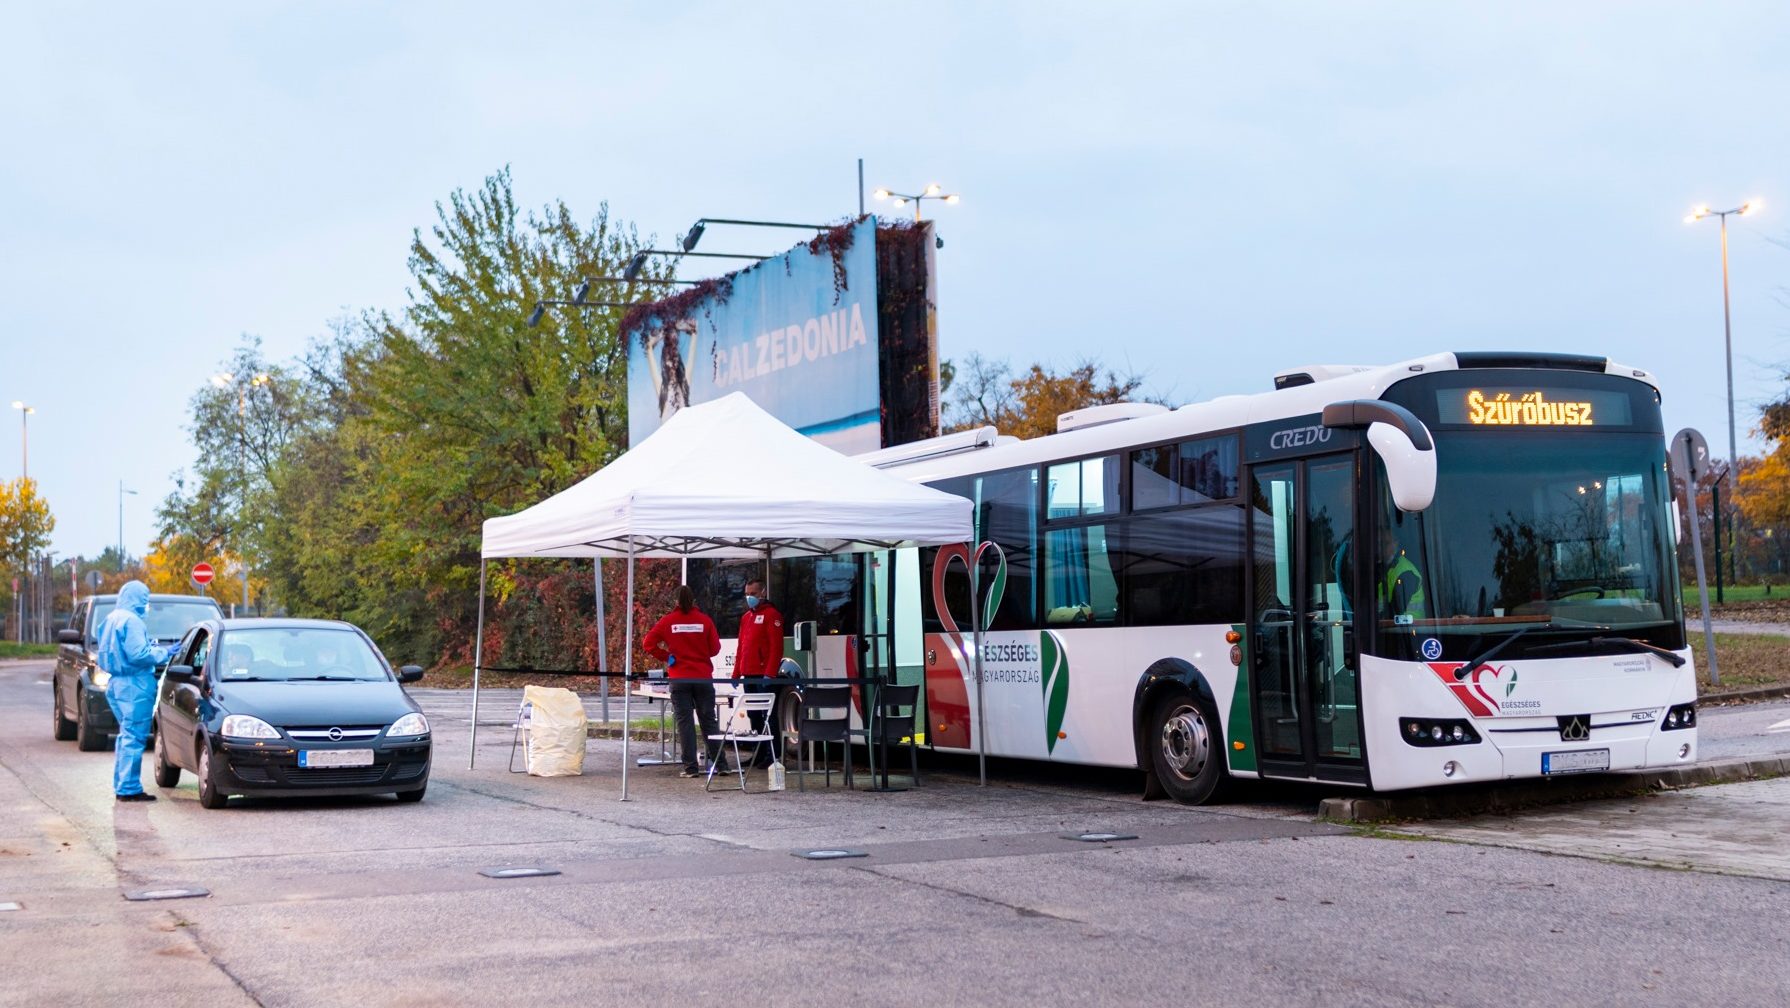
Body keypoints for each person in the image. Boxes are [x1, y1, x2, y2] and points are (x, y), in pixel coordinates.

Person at [94, 581, 173, 802]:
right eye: (145, 599)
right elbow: (139, 654)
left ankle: (122, 785)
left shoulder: (111, 619)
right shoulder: (132, 621)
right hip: (135, 685)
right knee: (134, 737)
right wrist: (163, 653)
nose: (146, 604)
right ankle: (129, 789)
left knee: (126, 735)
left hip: (117, 683)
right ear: (137, 598)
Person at [642, 585, 724, 778]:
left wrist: (667, 656)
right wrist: (699, 652)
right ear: (693, 600)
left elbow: (648, 643)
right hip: (703, 677)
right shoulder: (705, 621)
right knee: (709, 721)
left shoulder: (667, 621)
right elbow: (715, 649)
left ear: (676, 602)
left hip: (679, 678)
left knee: (685, 723)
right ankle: (721, 765)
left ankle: (691, 768)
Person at [732, 577, 786, 767]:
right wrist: (736, 673)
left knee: (768, 716)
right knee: (753, 716)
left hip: (764, 674)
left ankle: (773, 754)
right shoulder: (746, 617)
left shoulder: (772, 615)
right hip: (748, 674)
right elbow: (742, 647)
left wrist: (770, 673)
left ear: (763, 593)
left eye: (753, 594)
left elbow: (776, 647)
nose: (749, 597)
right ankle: (759, 752)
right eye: (747, 594)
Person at [1378, 518, 1427, 622]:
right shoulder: (1384, 568)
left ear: (1395, 543)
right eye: (1379, 543)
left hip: (1412, 631)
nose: (1381, 548)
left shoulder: (1405, 572)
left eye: (1386, 543)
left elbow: (1396, 609)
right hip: (1394, 628)